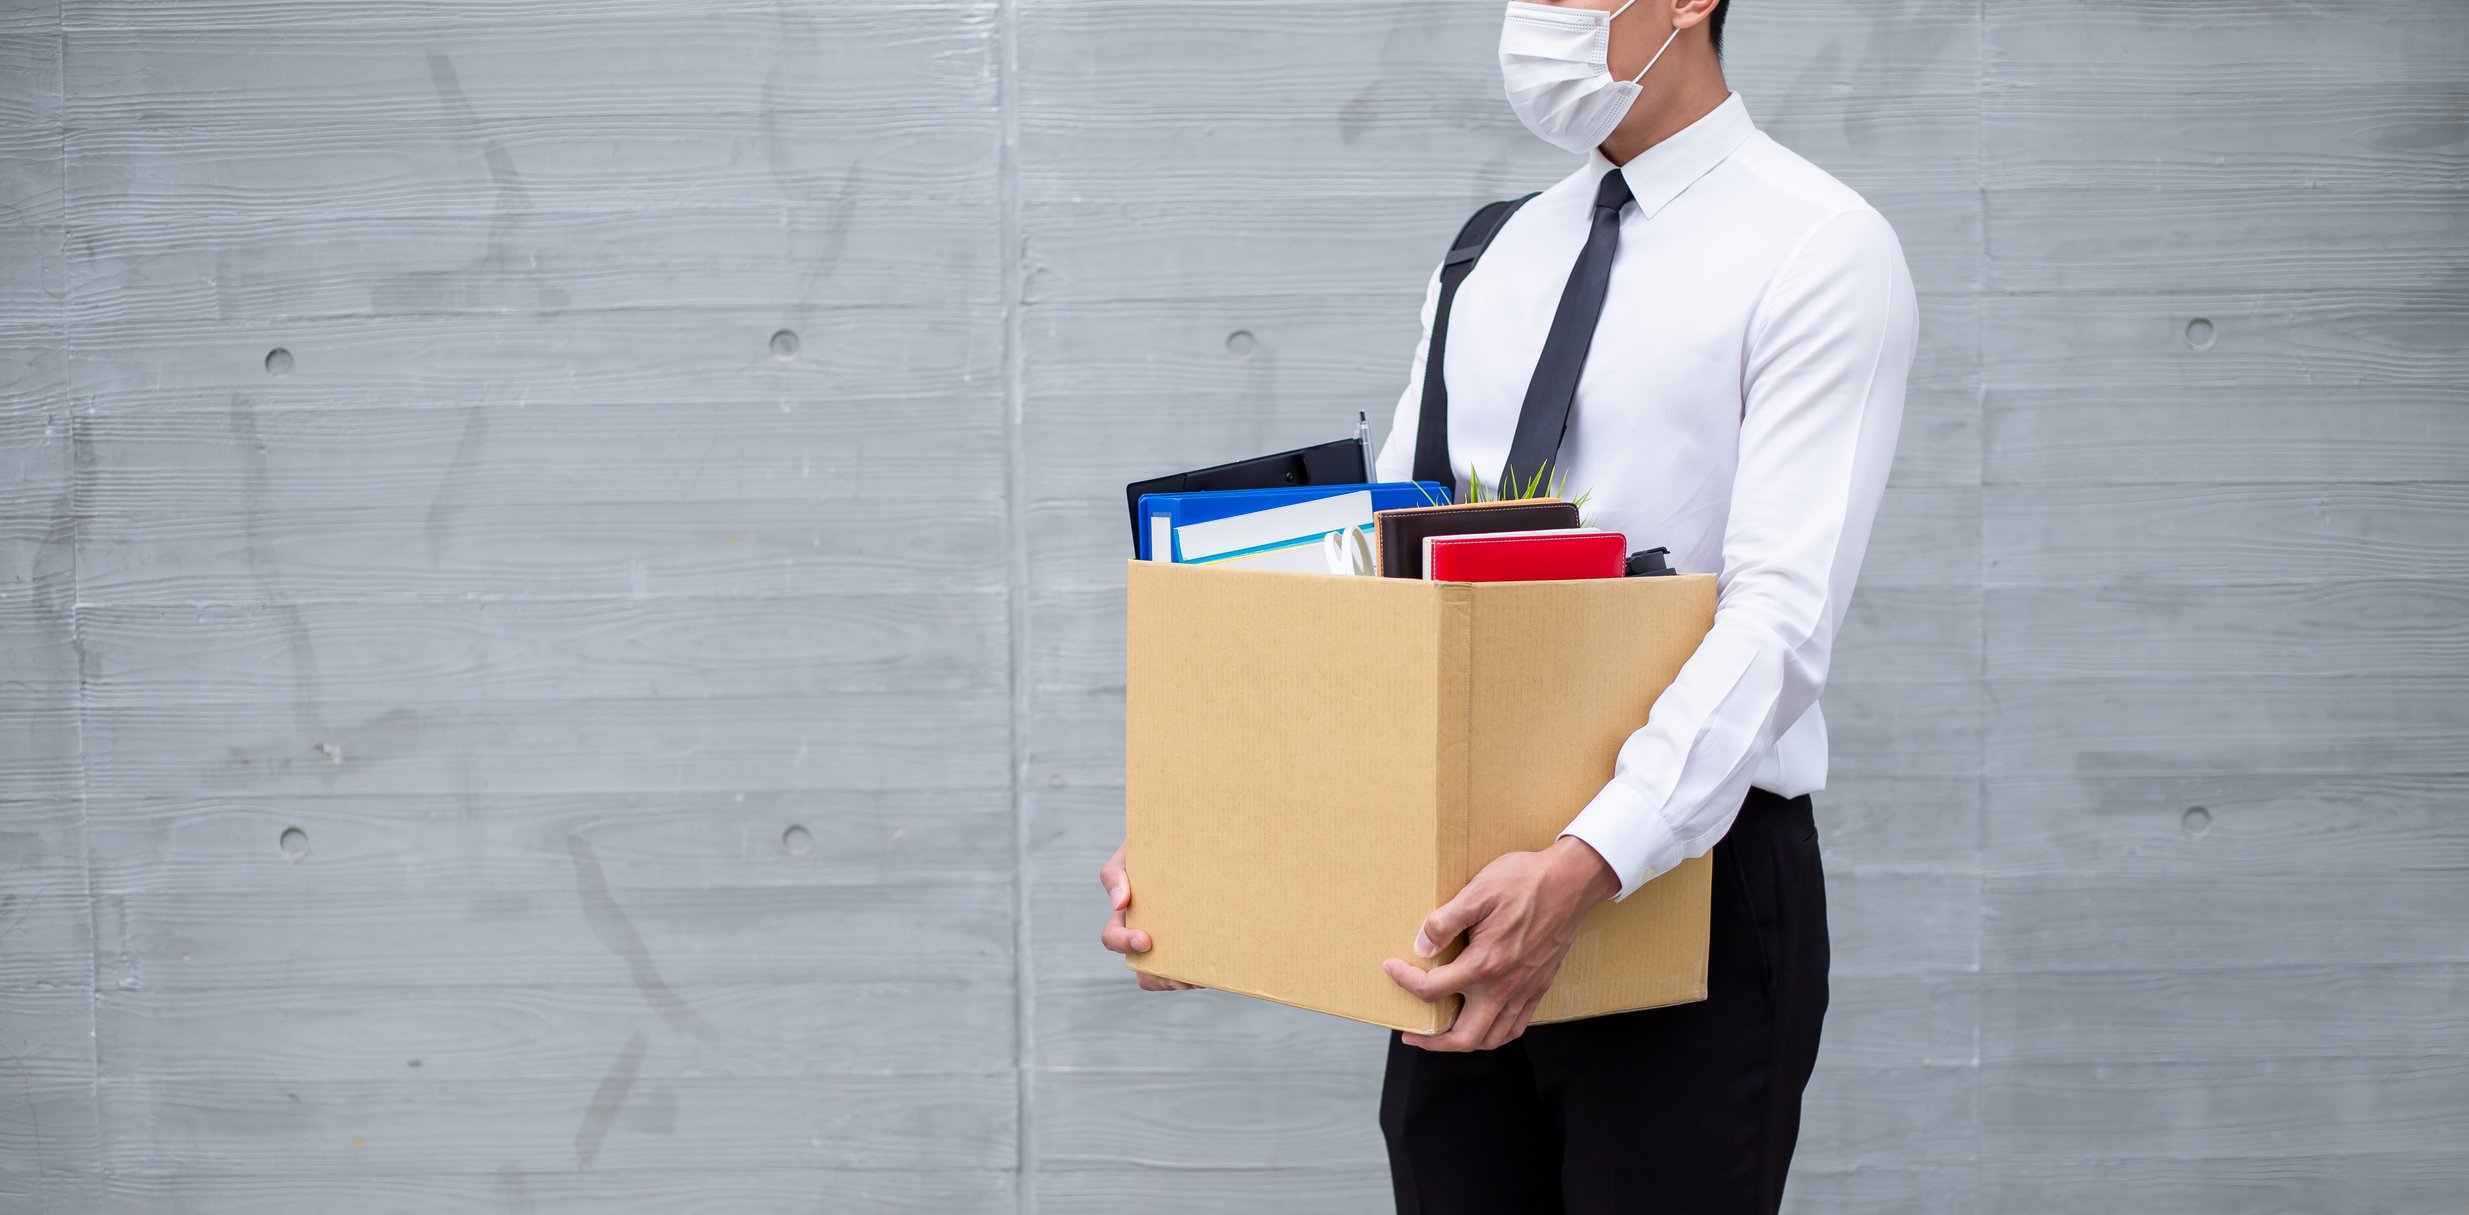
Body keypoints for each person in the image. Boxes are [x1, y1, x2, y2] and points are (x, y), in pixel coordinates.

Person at [1101, 0, 1917, 1209]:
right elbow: (1381, 586)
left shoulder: (1819, 248)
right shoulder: (1493, 253)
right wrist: (1215, 846)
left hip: (1684, 874)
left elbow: (1780, 620)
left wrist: (1589, 861)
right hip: (1459, 874)